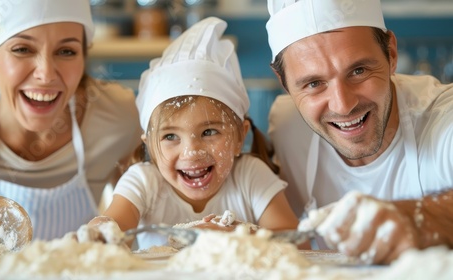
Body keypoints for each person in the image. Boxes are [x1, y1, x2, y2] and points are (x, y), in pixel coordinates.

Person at [82, 17, 302, 250]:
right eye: (170, 136)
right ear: (149, 147)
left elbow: (297, 242)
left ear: (240, 136)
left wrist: (239, 236)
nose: (192, 152)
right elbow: (112, 225)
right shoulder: (144, 182)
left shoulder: (250, 176)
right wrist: (96, 233)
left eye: (208, 131)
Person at [265, 0, 453, 264]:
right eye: (314, 83)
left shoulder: (444, 117)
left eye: (358, 70)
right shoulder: (286, 127)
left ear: (391, 53)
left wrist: (417, 218)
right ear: (283, 83)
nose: (343, 105)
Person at [0, 0, 143, 240]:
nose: (46, 74)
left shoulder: (119, 117)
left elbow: (142, 219)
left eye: (66, 51)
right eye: (22, 49)